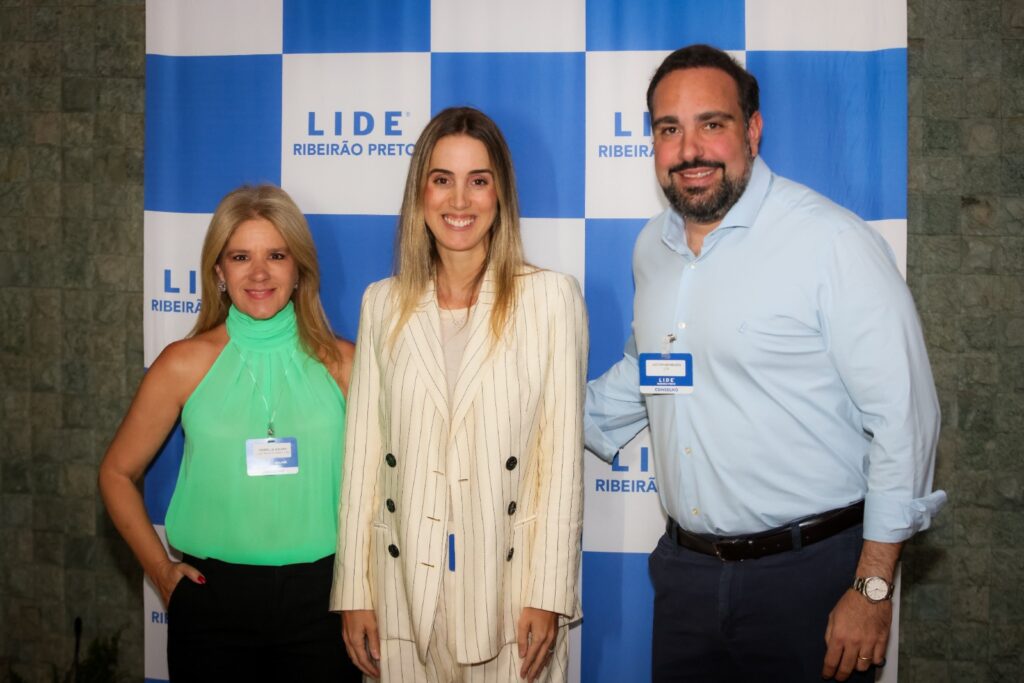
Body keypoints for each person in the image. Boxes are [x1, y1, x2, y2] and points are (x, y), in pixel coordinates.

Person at [584, 44, 946, 682]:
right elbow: (650, 370)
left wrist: (871, 591)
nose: (689, 148)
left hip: (811, 580)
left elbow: (904, 419)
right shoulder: (653, 248)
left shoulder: (831, 243)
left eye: (711, 124)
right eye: (670, 129)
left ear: (752, 130)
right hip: (686, 577)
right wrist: (526, 411)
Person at [331, 106, 587, 683]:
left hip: (512, 595)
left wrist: (547, 593)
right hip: (400, 595)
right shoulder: (384, 303)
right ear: (420, 193)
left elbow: (560, 463)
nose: (459, 201)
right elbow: (364, 462)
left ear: (501, 195)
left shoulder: (550, 299)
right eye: (442, 179)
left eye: (479, 181)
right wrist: (353, 588)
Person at [98, 184, 360, 681]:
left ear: (299, 268)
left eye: (276, 255)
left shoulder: (346, 364)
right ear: (219, 272)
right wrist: (160, 571)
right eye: (241, 256)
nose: (259, 273)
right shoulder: (182, 364)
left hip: (325, 604)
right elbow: (116, 472)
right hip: (212, 608)